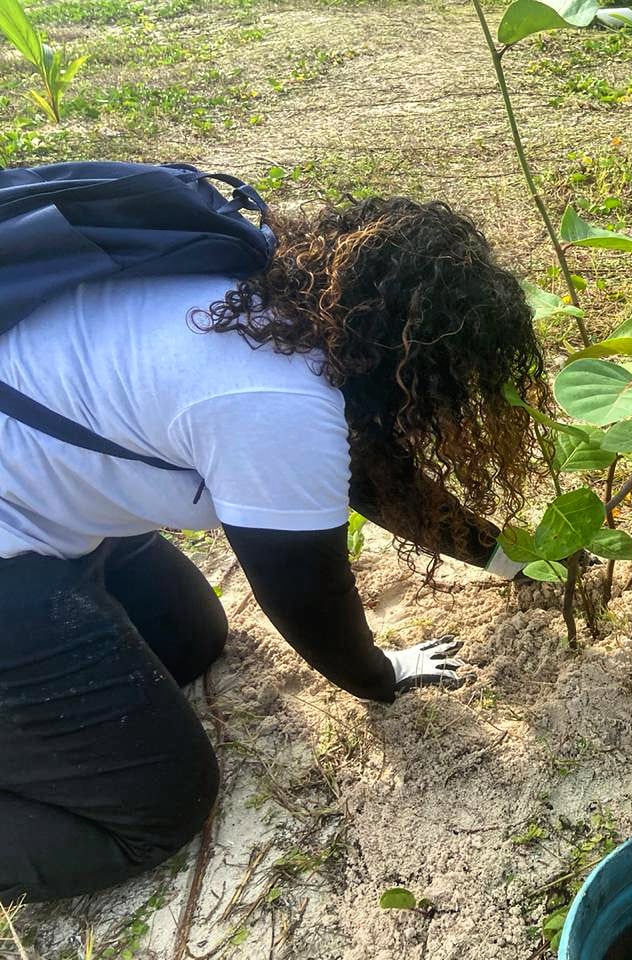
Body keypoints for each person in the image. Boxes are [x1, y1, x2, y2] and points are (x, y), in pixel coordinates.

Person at [0, 196, 545, 902]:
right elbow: (307, 598)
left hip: (45, 506)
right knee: (161, 806)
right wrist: (383, 676)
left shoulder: (273, 295)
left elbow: (377, 479)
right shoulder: (278, 401)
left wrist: (514, 559)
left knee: (191, 638)